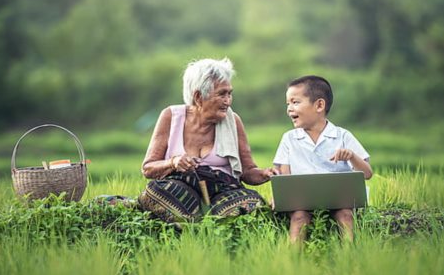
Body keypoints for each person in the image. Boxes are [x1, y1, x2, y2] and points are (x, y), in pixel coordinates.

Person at [139, 58, 276, 222]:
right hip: (181, 190)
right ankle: (197, 223)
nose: (228, 101)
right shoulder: (171, 116)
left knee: (251, 203)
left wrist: (264, 174)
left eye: (229, 94)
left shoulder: (233, 121)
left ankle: (199, 221)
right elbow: (148, 169)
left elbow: (247, 172)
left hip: (223, 191)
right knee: (159, 191)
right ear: (198, 96)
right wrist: (173, 162)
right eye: (222, 94)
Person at [272, 75, 373, 243]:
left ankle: (350, 256)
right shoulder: (289, 138)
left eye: (295, 102)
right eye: (287, 104)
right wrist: (281, 196)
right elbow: (284, 175)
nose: (289, 109)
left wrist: (352, 156)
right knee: (298, 218)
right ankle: (292, 260)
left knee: (346, 215)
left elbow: (367, 173)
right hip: (301, 202)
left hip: (340, 200)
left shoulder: (342, 136)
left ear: (319, 105)